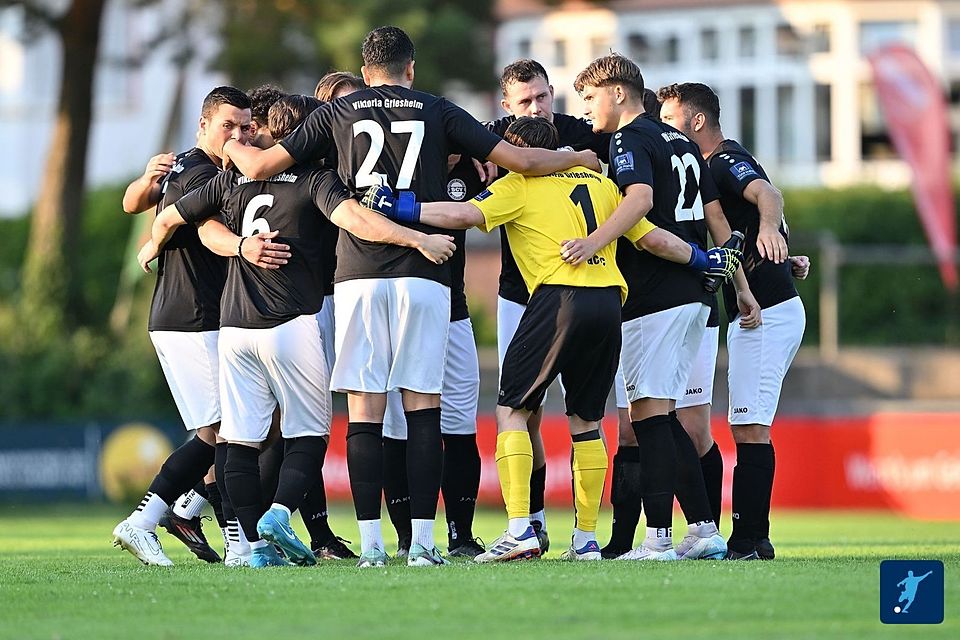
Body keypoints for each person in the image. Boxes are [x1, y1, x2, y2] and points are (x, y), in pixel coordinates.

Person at [222, 26, 601, 568]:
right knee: (424, 408)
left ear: (365, 68)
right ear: (412, 68)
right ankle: (424, 545)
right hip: (424, 273)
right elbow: (525, 163)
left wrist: (229, 140)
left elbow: (257, 168)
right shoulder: (437, 109)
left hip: (357, 275)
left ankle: (373, 546)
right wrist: (575, 157)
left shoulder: (338, 112)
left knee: (363, 412)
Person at [138, 92, 455, 567]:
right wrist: (416, 238)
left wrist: (151, 249)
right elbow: (355, 219)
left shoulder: (231, 180)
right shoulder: (314, 179)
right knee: (308, 434)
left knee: (239, 440)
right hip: (292, 323)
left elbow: (180, 220)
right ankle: (280, 513)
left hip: (234, 328)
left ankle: (248, 548)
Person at [365, 116, 648, 562]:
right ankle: (586, 538)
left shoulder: (520, 183)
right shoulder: (603, 185)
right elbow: (649, 236)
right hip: (610, 300)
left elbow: (460, 214)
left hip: (559, 299)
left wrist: (399, 208)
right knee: (587, 422)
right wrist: (702, 257)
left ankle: (520, 529)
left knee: (512, 411)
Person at [564, 54, 750, 561]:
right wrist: (737, 284)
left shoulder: (630, 138)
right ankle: (704, 529)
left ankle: (658, 540)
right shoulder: (683, 142)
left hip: (655, 296)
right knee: (663, 415)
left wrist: (592, 240)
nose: (586, 109)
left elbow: (640, 199)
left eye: (589, 97)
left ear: (619, 93)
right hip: (697, 298)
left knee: (648, 414)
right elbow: (717, 219)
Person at [657, 82, 806, 560]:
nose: (664, 128)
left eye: (670, 118)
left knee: (750, 426)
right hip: (763, 308)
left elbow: (768, 194)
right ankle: (746, 538)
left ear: (696, 120)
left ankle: (750, 540)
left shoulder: (722, 159)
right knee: (746, 424)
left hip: (766, 313)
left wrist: (768, 228)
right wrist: (783, 252)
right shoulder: (703, 169)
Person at [112, 86, 253, 567]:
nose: (237, 134)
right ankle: (145, 520)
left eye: (244, 126)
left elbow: (137, 204)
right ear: (203, 126)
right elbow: (207, 230)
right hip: (190, 317)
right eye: (227, 125)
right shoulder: (195, 170)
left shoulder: (206, 169)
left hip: (199, 317)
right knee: (224, 431)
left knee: (222, 430)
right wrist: (242, 247)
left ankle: (198, 516)